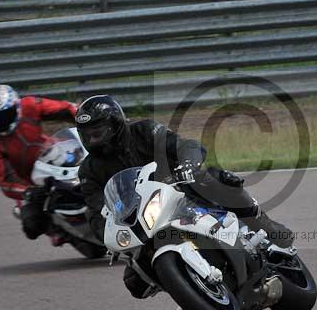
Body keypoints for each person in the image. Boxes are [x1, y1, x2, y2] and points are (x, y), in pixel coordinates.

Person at [75, 94, 294, 298]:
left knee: (218, 179)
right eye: (86, 135)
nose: (92, 141)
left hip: (180, 189)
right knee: (135, 282)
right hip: (144, 221)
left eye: (97, 133)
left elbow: (184, 145)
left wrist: (189, 163)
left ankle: (262, 223)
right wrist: (107, 234)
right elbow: (96, 210)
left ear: (115, 126)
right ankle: (192, 286)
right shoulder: (89, 170)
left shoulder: (143, 131)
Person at [0, 84, 77, 241]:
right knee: (32, 227)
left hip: (52, 156)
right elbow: (5, 181)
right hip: (29, 184)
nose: (1, 121)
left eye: (5, 114)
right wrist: (27, 192)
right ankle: (59, 230)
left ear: (16, 107)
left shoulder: (30, 105)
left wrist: (87, 118)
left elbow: (66, 108)